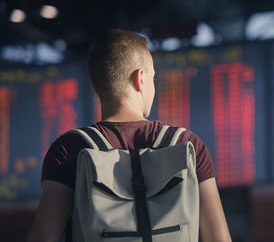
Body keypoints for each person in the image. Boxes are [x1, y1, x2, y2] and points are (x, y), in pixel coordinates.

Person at [28, 29, 232, 242]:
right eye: (154, 77)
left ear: (94, 85)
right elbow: (220, 239)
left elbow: (44, 237)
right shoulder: (187, 145)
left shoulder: (69, 149)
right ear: (140, 78)